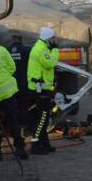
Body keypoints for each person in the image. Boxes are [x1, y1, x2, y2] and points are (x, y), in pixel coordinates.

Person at [0, 30, 28, 160]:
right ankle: (20, 148)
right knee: (13, 120)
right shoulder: (2, 49)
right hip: (7, 91)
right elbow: (12, 68)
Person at [27, 26, 60, 155]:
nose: (54, 40)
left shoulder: (41, 47)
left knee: (42, 118)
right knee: (42, 118)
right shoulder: (41, 49)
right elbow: (51, 63)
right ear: (48, 38)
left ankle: (44, 144)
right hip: (40, 89)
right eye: (53, 38)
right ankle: (35, 145)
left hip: (40, 88)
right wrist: (56, 49)